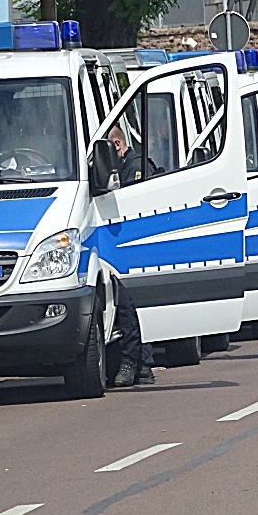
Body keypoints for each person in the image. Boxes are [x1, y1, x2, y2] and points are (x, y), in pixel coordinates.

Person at [105, 123, 159, 386]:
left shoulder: (136, 165)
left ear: (116, 145)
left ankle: (136, 364)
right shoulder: (126, 164)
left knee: (130, 306)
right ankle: (139, 364)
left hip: (135, 242)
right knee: (129, 306)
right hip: (124, 243)